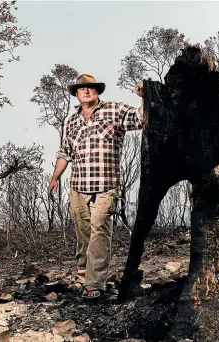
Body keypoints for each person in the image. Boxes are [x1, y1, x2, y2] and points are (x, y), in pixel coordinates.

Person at [47, 74, 144, 300]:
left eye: (90, 87)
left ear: (97, 91)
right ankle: (82, 277)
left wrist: (143, 97)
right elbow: (65, 153)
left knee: (100, 231)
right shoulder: (71, 121)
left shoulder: (114, 110)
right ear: (76, 94)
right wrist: (54, 179)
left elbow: (139, 119)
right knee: (84, 235)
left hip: (106, 185)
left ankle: (95, 285)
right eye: (82, 89)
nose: (86, 91)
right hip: (78, 186)